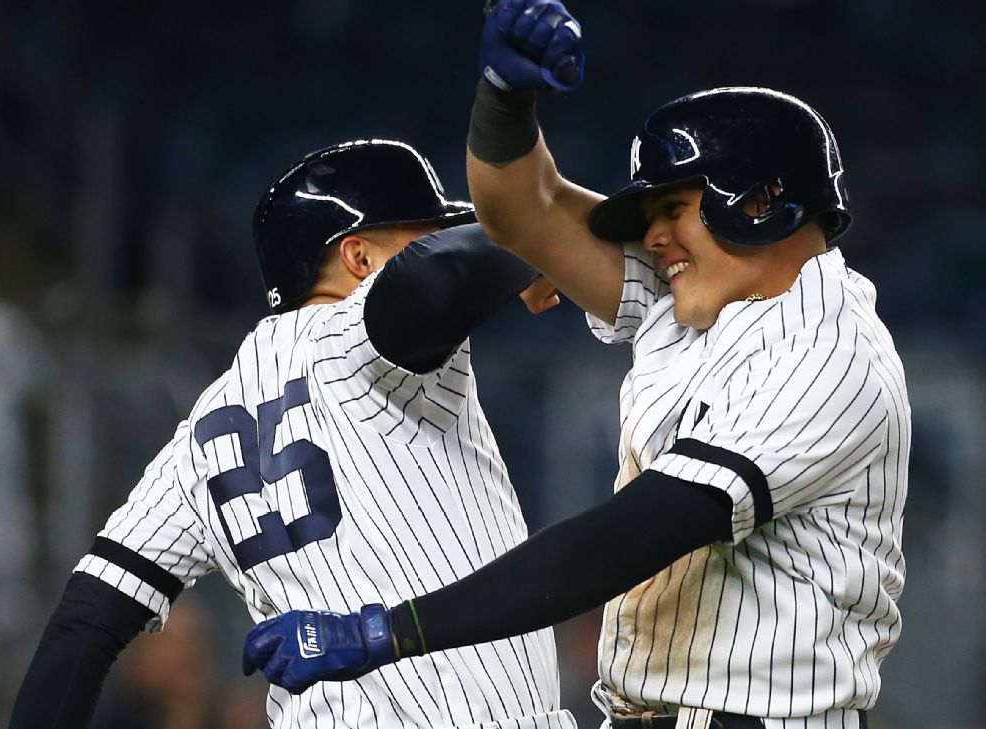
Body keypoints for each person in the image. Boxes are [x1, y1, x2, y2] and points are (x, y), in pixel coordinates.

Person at [240, 3, 910, 729]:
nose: (655, 236)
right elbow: (527, 213)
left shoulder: (827, 350)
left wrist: (387, 631)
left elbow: (624, 540)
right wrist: (504, 98)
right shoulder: (706, 291)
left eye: (675, 206)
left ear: (758, 204)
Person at [9, 139, 575, 729]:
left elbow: (85, 620)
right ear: (359, 259)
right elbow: (434, 274)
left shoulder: (198, 436)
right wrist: (528, 245)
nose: (441, 237)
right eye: (425, 230)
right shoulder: (358, 339)